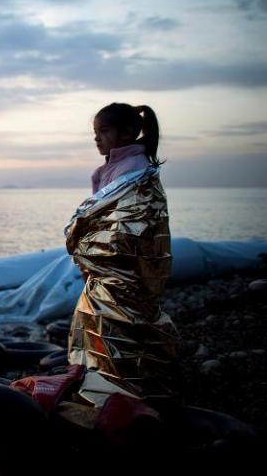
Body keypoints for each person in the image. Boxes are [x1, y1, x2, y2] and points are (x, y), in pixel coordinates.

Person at [64, 103, 180, 408]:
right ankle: (105, 380)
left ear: (128, 132)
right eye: (95, 133)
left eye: (103, 131)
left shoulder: (136, 170)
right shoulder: (109, 169)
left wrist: (85, 238)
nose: (97, 139)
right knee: (98, 320)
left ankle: (126, 388)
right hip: (105, 266)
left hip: (125, 267)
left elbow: (132, 224)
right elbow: (101, 217)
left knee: (120, 320)